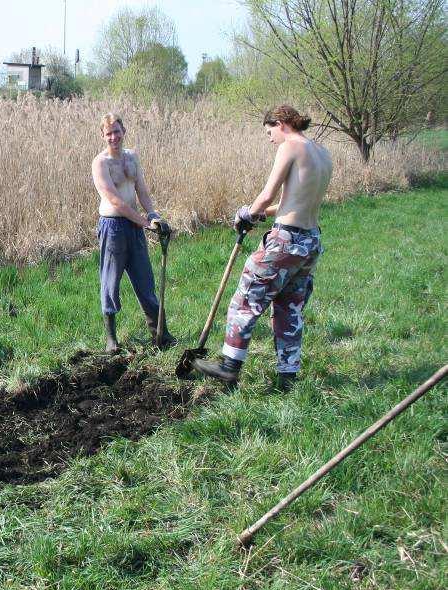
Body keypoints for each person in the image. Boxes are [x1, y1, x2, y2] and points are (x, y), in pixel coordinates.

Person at [193, 104, 332, 390]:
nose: (270, 139)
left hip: (286, 241)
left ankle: (229, 366)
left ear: (280, 123)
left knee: (245, 300)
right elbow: (292, 202)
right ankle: (288, 379)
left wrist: (246, 213)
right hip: (310, 241)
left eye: (270, 131)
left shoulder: (290, 146)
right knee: (289, 308)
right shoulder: (321, 153)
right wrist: (257, 211)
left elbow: (268, 195)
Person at [92, 113, 175, 353]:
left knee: (145, 281)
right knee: (110, 283)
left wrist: (153, 216)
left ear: (123, 131)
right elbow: (115, 200)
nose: (113, 137)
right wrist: (144, 222)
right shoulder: (100, 163)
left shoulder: (132, 157)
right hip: (113, 228)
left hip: (135, 228)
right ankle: (111, 339)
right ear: (103, 136)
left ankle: (161, 335)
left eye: (117, 131)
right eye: (108, 133)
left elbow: (142, 191)